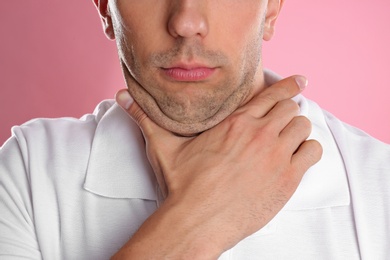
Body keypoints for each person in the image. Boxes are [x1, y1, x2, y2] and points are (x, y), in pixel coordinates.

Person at [0, 0, 389, 259]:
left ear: (270, 8)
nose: (186, 23)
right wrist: (200, 219)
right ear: (105, 8)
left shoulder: (380, 186)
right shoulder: (28, 172)